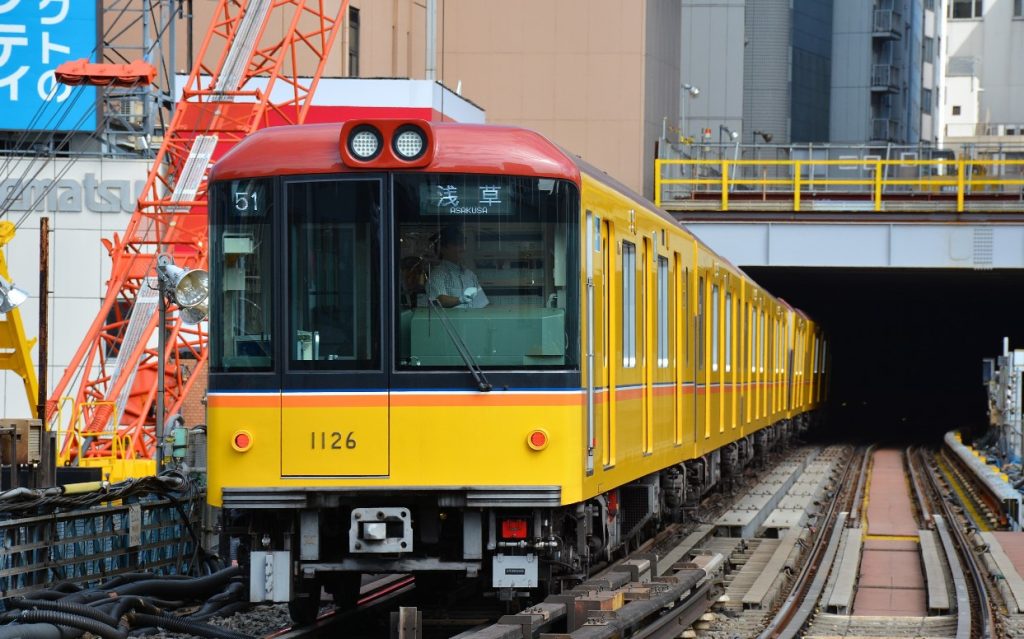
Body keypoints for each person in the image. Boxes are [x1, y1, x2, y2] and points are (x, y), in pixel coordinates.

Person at [426, 225, 489, 308]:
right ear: (442, 248)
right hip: (449, 321)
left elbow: (482, 304)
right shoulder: (438, 275)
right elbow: (439, 300)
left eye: (463, 243)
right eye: (456, 244)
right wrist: (461, 300)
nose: (462, 248)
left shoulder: (469, 275)